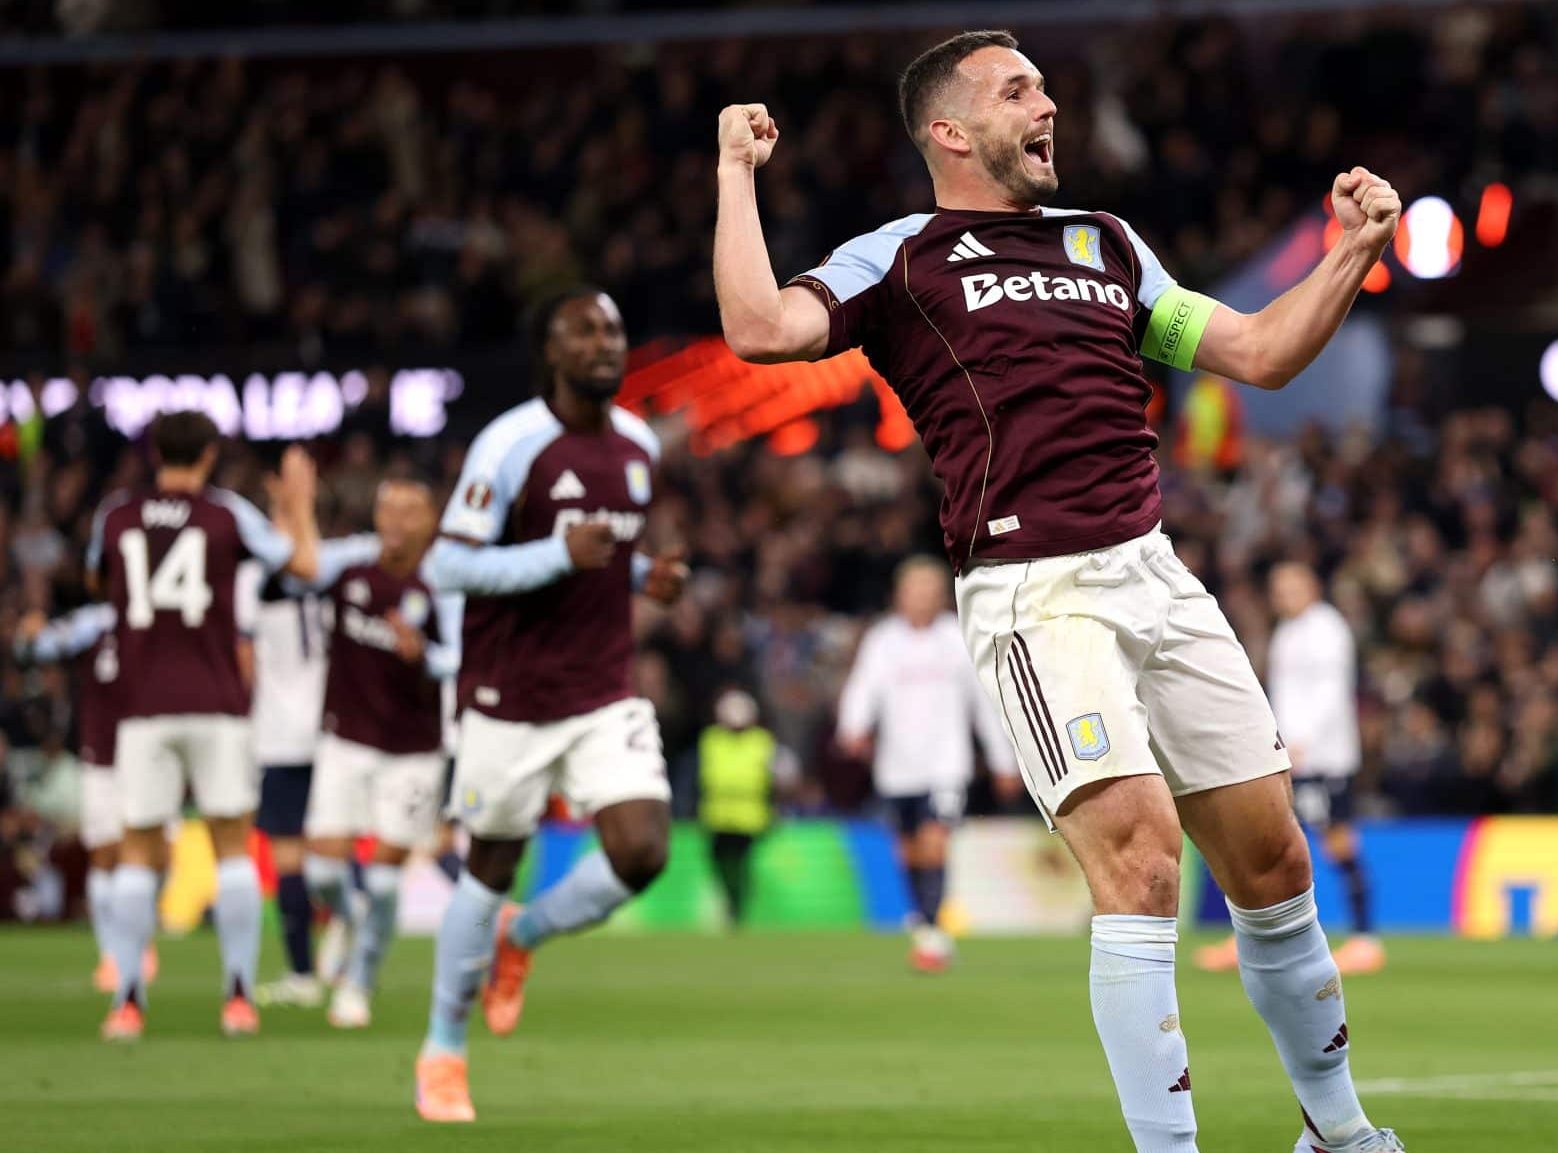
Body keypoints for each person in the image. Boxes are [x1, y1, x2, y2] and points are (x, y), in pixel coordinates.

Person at [715, 30, 1406, 1152]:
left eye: (1043, 86)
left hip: (1156, 573)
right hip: (1036, 589)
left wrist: (1351, 250)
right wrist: (734, 176)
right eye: (1016, 89)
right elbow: (757, 329)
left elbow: (1259, 353)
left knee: (1275, 863)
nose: (1047, 105)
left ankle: (1336, 1132)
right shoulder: (900, 255)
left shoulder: (1108, 243)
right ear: (948, 129)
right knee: (1140, 859)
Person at [413, 287, 686, 1123]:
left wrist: (649, 579)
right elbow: (446, 568)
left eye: (613, 327)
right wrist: (552, 554)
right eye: (585, 331)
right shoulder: (511, 444)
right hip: (510, 697)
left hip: (603, 690)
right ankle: (443, 1050)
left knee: (642, 851)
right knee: (489, 868)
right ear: (552, 353)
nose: (605, 342)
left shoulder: (639, 445)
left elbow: (610, 554)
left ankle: (520, 938)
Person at [87, 411, 320, 1040]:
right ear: (211, 455)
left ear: (153, 452)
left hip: (141, 707)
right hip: (217, 701)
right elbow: (302, 566)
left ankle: (128, 1002)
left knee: (138, 851)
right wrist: (297, 505)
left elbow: (95, 579)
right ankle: (239, 997)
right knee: (232, 846)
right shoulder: (227, 514)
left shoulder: (116, 514)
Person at [295, 479, 461, 1030]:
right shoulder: (350, 564)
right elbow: (300, 563)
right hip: (346, 736)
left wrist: (425, 654)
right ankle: (348, 916)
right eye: (386, 507)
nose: (393, 520)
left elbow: (461, 657)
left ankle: (357, 985)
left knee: (386, 878)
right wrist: (297, 503)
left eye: (408, 512)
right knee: (321, 870)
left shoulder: (447, 582)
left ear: (430, 521)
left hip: (412, 749)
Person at [836, 555, 1019, 971]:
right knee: (908, 850)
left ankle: (934, 933)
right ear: (899, 596)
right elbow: (863, 688)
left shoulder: (957, 639)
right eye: (913, 592)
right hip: (896, 767)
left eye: (929, 592)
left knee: (935, 840)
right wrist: (853, 727)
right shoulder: (883, 640)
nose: (920, 600)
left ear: (941, 597)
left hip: (946, 764)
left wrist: (1002, 759)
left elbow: (983, 704)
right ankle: (923, 923)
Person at [1200, 563, 1382, 976]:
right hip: (1286, 755)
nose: (1285, 596)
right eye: (1279, 589)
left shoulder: (1327, 629)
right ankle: (1253, 935)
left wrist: (1305, 740)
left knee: (1336, 841)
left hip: (1323, 758)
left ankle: (1365, 939)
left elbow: (1332, 692)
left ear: (1313, 587)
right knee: (1262, 840)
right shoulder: (1286, 632)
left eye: (1292, 588)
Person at [13, 604, 163, 991]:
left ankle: (140, 940)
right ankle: (111, 954)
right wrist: (32, 633)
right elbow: (38, 649)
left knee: (151, 851)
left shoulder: (156, 610)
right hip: (100, 754)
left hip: (150, 748)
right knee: (105, 852)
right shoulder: (89, 622)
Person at [241, 557, 339, 1009]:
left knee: (289, 859)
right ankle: (346, 919)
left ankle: (302, 974)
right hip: (331, 731)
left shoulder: (251, 584)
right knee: (328, 853)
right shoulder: (334, 584)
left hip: (280, 735)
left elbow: (244, 660)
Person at [697, 688, 786, 928]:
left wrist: (774, 808)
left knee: (742, 866)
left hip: (750, 817)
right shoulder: (711, 739)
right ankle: (731, 904)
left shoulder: (761, 741)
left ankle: (739, 909)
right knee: (721, 864)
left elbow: (775, 779)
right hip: (717, 815)